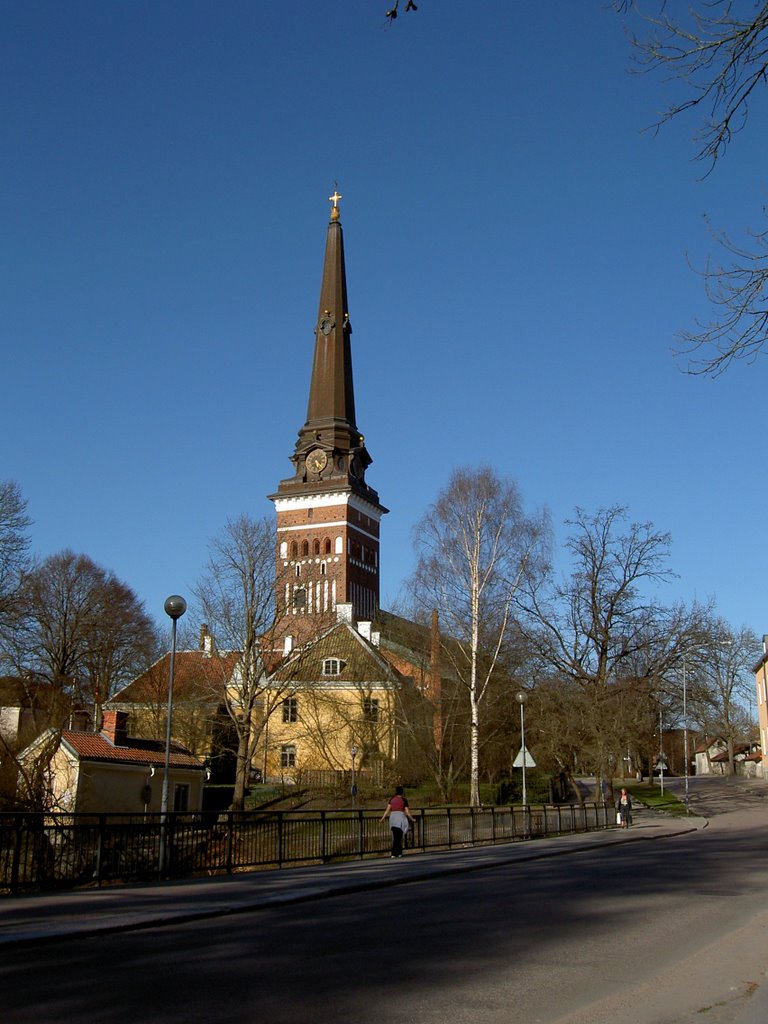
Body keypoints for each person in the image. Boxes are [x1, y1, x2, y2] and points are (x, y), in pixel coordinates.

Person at [380, 785, 415, 858]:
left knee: (395, 836)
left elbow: (387, 810)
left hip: (393, 818)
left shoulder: (392, 799)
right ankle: (397, 852)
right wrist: (412, 819)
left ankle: (395, 853)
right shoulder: (404, 800)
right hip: (400, 818)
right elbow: (407, 811)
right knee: (399, 836)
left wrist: (382, 818)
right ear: (402, 792)